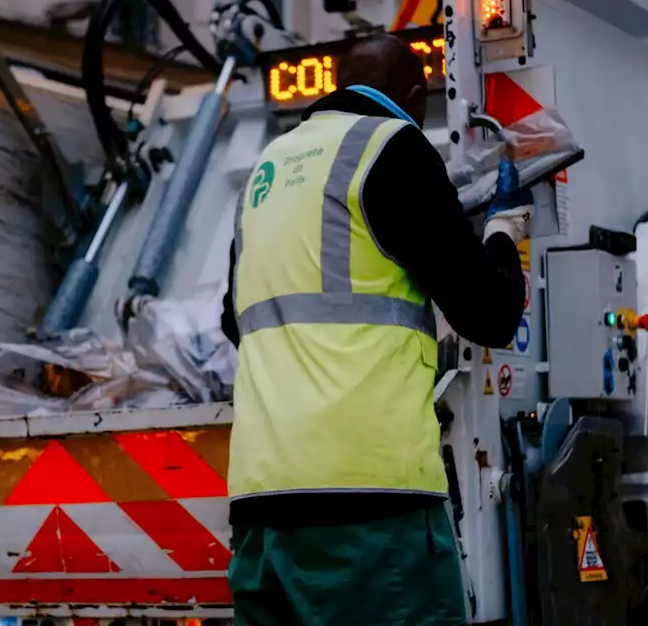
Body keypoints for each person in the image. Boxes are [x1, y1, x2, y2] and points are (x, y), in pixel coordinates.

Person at [220, 33, 532, 625]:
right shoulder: (395, 148)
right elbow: (489, 314)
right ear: (415, 98)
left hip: (262, 507)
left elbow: (238, 320)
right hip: (371, 504)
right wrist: (501, 234)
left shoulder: (264, 171)